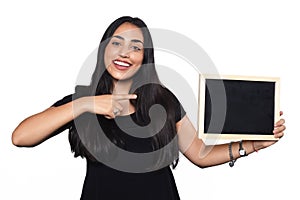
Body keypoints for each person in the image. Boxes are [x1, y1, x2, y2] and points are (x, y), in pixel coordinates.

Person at [12, 16, 286, 200]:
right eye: (116, 43)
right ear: (104, 49)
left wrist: (251, 145)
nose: (124, 52)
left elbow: (200, 154)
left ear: (144, 57)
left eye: (135, 47)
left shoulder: (164, 101)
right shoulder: (82, 101)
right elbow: (21, 137)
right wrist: (86, 104)